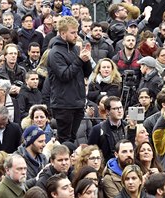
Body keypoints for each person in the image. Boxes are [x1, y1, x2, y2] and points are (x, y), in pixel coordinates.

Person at [47, 16, 92, 144]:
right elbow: (64, 75)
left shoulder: (75, 49)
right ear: (62, 33)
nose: (76, 36)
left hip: (77, 102)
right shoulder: (55, 53)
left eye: (76, 32)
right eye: (72, 33)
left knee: (72, 139)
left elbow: (86, 73)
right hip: (63, 104)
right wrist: (79, 60)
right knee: (65, 140)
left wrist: (86, 59)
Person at [88, 96, 129, 161]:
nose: (119, 111)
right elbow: (90, 152)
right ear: (107, 111)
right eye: (115, 108)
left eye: (121, 107)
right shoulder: (97, 129)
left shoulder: (128, 126)